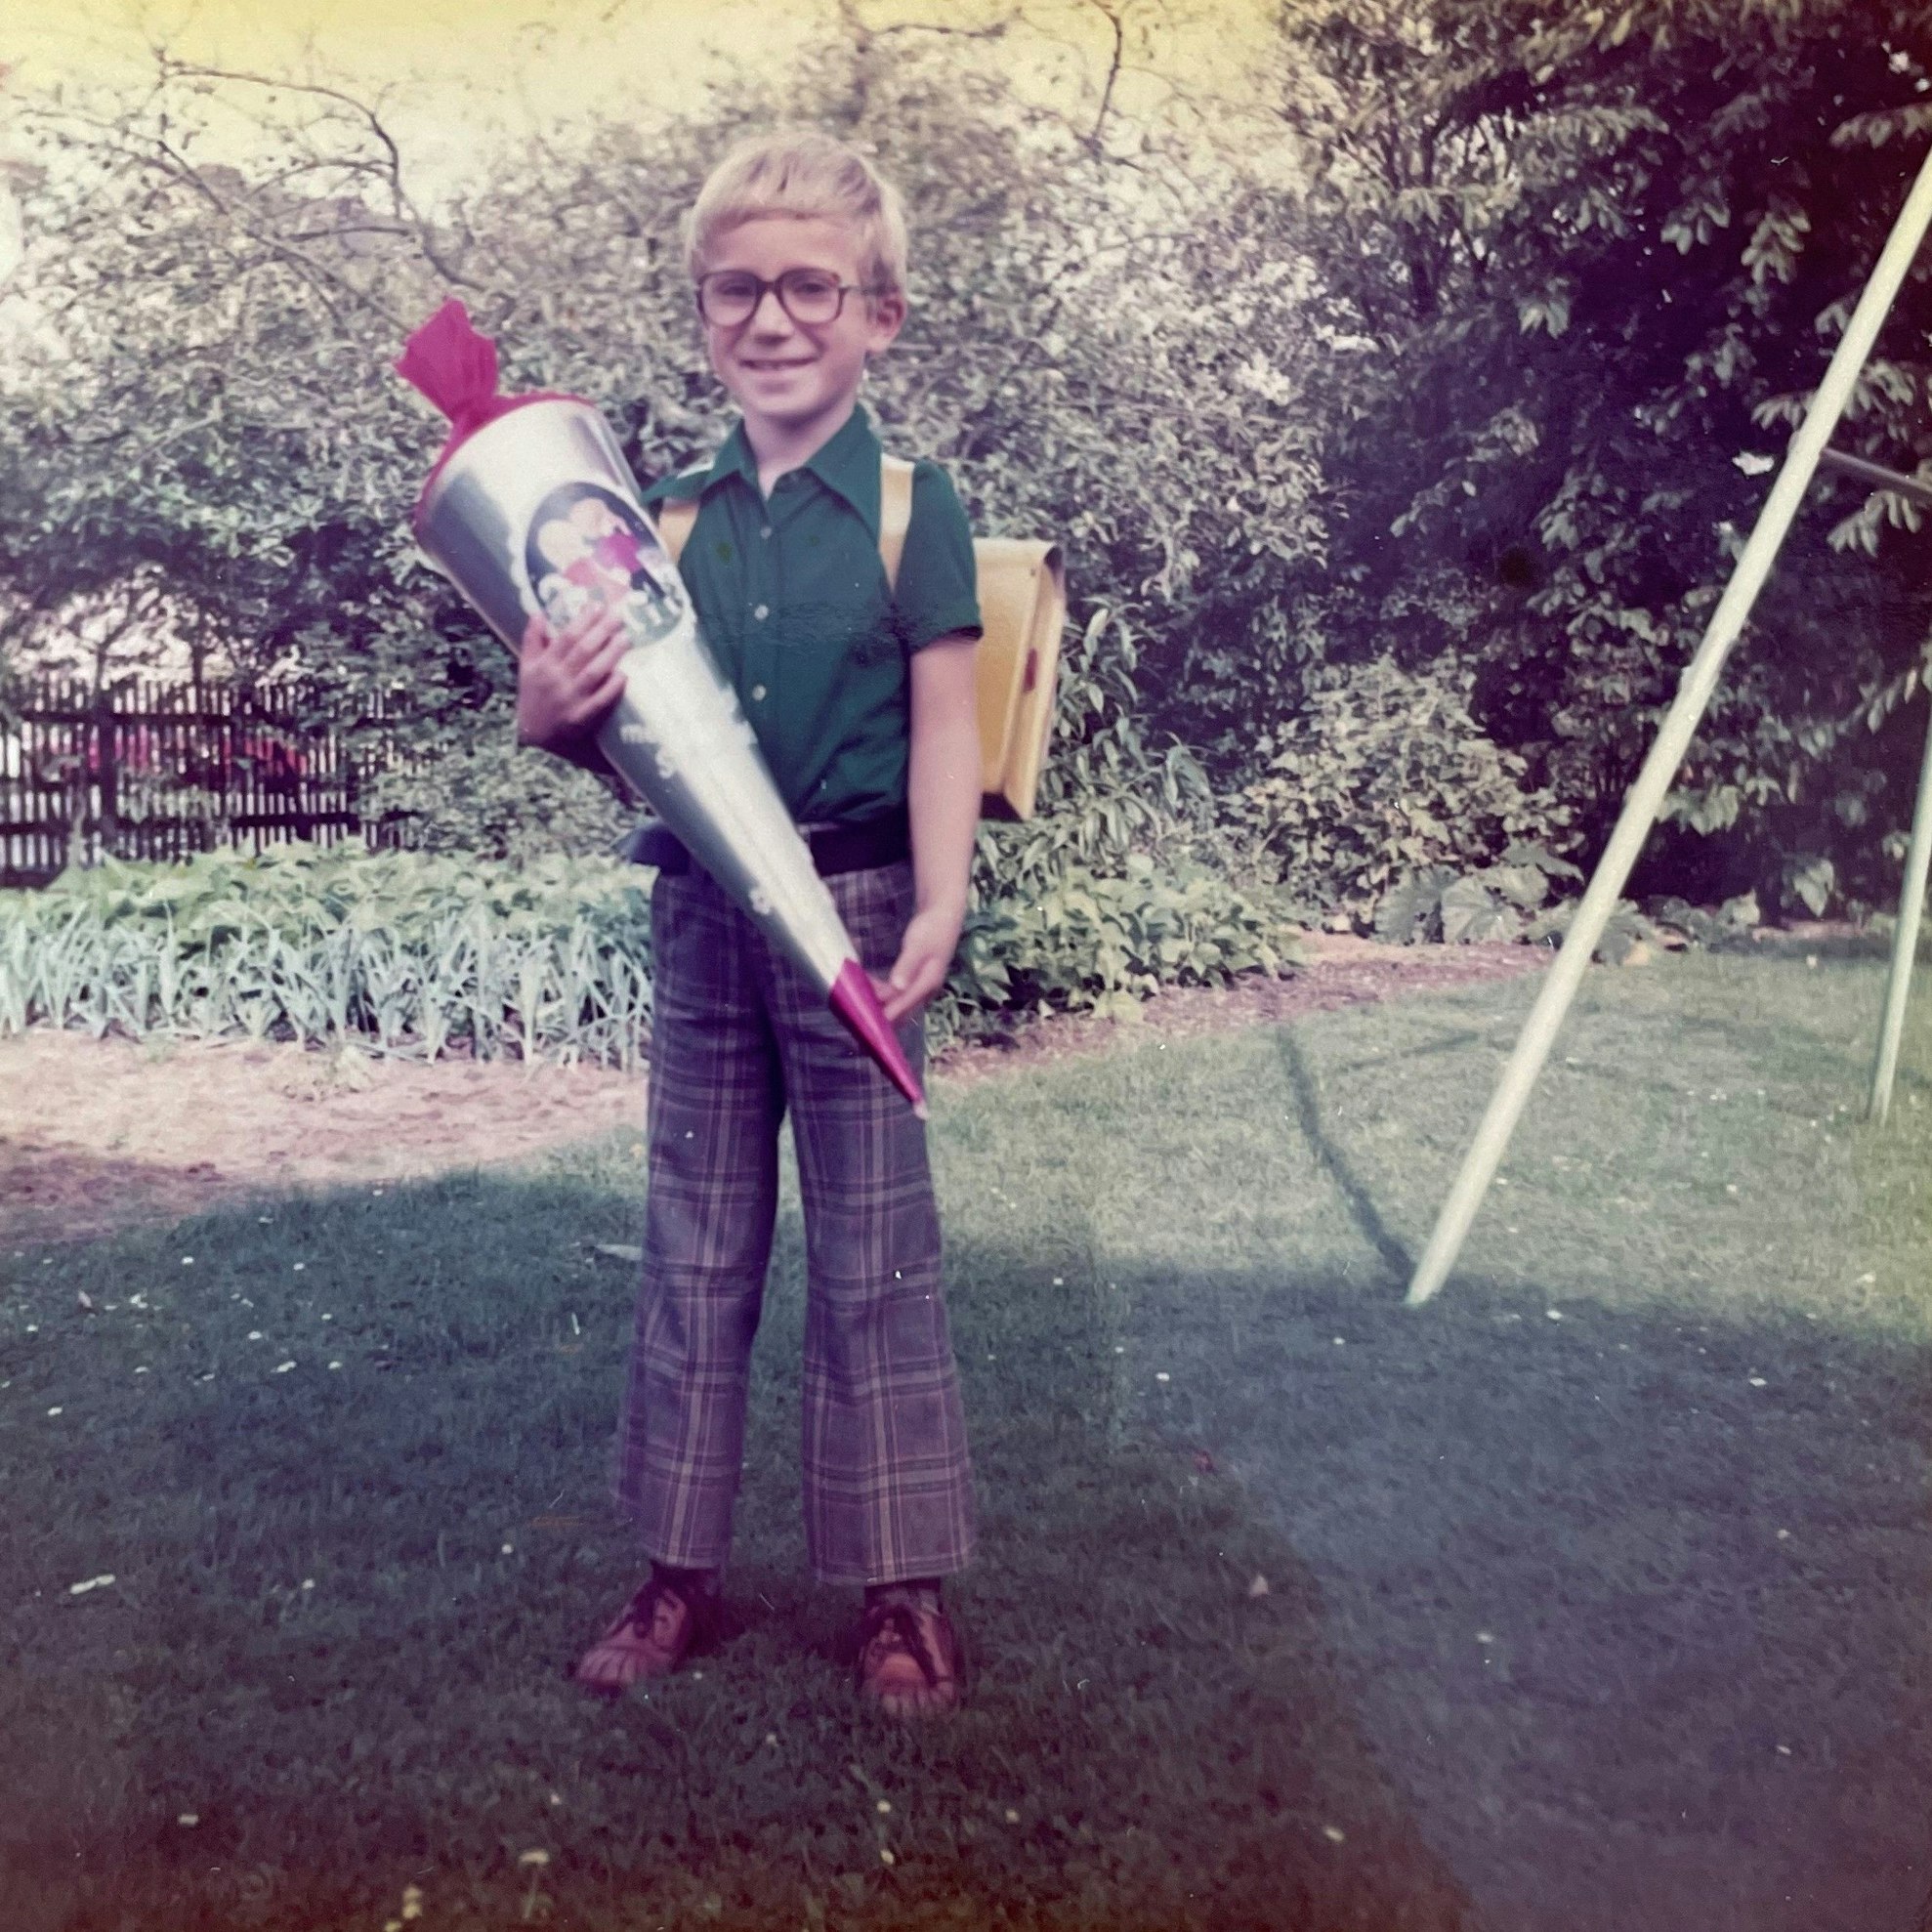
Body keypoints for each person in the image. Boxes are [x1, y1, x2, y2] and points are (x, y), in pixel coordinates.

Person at [512, 130, 983, 1720]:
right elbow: (619, 732)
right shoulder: (663, 522)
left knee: (873, 1256)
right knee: (695, 1244)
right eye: (737, 291)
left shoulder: (919, 515)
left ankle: (898, 1590)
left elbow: (942, 726)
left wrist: (940, 896)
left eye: (809, 289)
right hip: (709, 919)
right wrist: (545, 711)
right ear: (703, 311)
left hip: (855, 912)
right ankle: (674, 1574)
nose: (771, 320)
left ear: (879, 316)